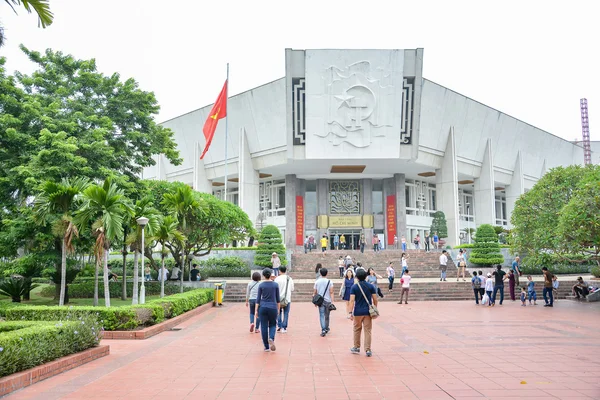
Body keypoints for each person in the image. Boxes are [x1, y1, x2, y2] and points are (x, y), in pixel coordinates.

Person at [349, 268, 377, 357]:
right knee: (368, 330)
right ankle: (368, 349)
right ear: (366, 276)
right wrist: (374, 308)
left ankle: (356, 347)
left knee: (357, 329)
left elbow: (352, 300)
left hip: (357, 311)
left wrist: (350, 312)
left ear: (356, 277)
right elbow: (375, 299)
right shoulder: (371, 286)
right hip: (368, 312)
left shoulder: (354, 287)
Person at [255, 269, 280, 351]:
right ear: (270, 275)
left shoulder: (261, 285)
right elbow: (278, 299)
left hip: (263, 307)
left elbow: (258, 299)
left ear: (263, 275)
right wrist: (278, 309)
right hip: (273, 307)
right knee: (273, 324)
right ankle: (271, 338)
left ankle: (266, 346)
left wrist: (256, 310)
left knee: (263, 326)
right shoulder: (275, 285)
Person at [314, 268, 334, 337]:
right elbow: (331, 292)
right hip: (328, 300)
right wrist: (332, 301)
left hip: (320, 301)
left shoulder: (317, 282)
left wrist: (315, 302)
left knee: (321, 315)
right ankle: (326, 328)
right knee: (327, 315)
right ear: (327, 273)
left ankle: (323, 329)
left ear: (320, 273)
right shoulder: (330, 282)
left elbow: (315, 292)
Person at [275, 266, 294, 333]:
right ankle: (284, 327)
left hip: (278, 299)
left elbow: (275, 289)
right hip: (287, 299)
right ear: (286, 270)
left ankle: (279, 326)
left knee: (278, 312)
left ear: (279, 271)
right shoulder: (289, 278)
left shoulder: (277, 279)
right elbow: (292, 289)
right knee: (286, 313)